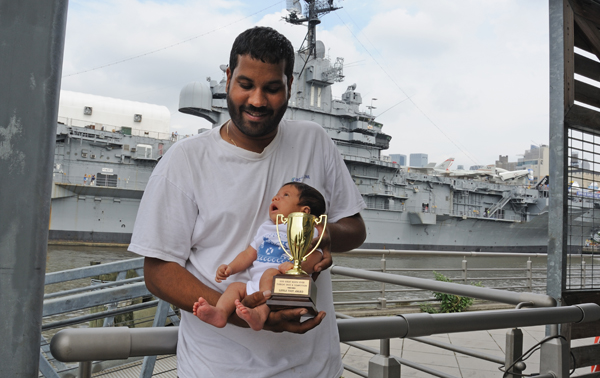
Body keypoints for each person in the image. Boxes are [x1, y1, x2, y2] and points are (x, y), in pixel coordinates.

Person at [128, 26, 366, 378]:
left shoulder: (315, 141)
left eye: (272, 88)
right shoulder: (184, 160)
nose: (257, 100)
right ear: (228, 78)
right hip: (218, 369)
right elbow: (159, 272)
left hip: (316, 368)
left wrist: (321, 233)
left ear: (289, 85)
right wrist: (246, 316)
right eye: (245, 85)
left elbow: (355, 228)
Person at [193, 182, 326, 331]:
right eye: (276, 195)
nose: (275, 198)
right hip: (255, 285)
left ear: (304, 211)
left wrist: (296, 266)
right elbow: (248, 254)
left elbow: (316, 256)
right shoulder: (266, 228)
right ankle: (220, 313)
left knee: (270, 273)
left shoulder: (308, 230)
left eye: (285, 195)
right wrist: (230, 268)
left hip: (281, 285)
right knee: (235, 287)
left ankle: (260, 314)